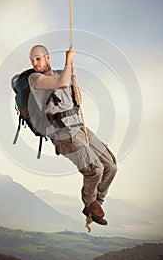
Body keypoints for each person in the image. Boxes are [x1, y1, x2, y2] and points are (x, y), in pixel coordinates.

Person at [28, 44, 117, 226]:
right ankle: (89, 203)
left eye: (37, 58)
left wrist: (71, 68)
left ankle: (95, 204)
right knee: (95, 169)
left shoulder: (64, 73)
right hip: (62, 134)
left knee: (110, 166)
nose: (34, 63)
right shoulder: (34, 78)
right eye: (31, 60)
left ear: (47, 57)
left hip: (79, 127)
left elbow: (72, 92)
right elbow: (60, 83)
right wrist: (69, 60)